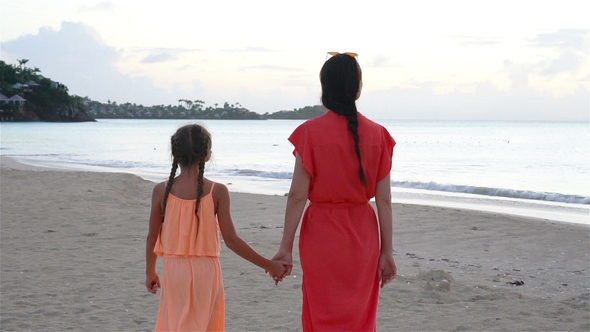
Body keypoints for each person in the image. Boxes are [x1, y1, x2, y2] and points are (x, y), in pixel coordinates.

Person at [272, 52, 397, 331]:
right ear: (358, 88)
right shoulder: (379, 135)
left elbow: (296, 196)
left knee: (321, 309)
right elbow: (384, 200)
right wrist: (387, 251)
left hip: (322, 233)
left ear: (324, 88)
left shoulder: (310, 132)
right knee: (359, 314)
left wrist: (285, 247)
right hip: (363, 235)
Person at [145, 124, 288, 331]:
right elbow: (232, 240)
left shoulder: (161, 190)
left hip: (174, 270)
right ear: (207, 155)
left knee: (176, 324)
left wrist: (150, 272)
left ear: (174, 154)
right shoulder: (217, 191)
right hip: (207, 272)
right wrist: (268, 264)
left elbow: (152, 237)